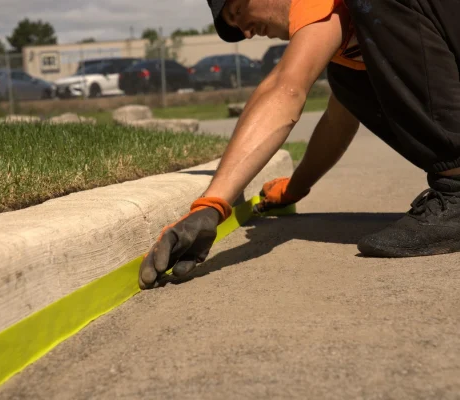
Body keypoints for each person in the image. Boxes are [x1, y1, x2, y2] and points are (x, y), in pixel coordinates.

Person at [139, 0, 460, 289]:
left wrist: (212, 205)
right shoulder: (347, 34)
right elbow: (338, 121)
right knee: (348, 83)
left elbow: (285, 88)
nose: (246, 32)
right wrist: (294, 189)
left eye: (238, 12)